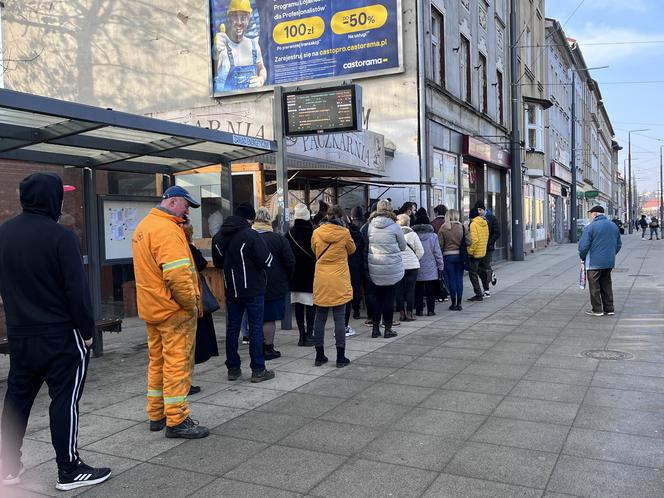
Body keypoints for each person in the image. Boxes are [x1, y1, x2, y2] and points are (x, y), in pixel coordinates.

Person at [0, 173, 111, 491]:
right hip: (61, 335)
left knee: (16, 400)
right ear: (50, 198)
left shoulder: (3, 234)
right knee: (64, 400)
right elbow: (76, 290)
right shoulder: (61, 236)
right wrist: (87, 331)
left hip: (21, 334)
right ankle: (69, 469)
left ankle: (8, 468)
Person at [133, 186, 209, 439]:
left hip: (152, 307)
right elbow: (177, 275)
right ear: (173, 201)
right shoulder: (167, 230)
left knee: (158, 362)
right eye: (186, 205)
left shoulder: (146, 226)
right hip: (173, 311)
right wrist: (191, 305)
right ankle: (177, 419)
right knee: (178, 364)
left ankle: (157, 414)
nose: (188, 210)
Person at [212, 203, 275, 383]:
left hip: (231, 289)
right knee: (255, 328)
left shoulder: (218, 238)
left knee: (232, 328)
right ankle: (258, 369)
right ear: (250, 219)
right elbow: (267, 260)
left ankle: (233, 368)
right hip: (253, 289)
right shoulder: (250, 234)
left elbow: (218, 264)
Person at [310, 205, 356, 367]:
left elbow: (314, 250)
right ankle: (340, 357)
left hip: (321, 278)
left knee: (320, 318)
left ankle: (319, 355)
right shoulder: (344, 233)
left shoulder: (316, 232)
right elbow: (352, 250)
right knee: (339, 319)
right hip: (339, 279)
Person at [252, 207, 295, 359]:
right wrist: (286, 278)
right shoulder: (278, 239)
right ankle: (269, 348)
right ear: (269, 220)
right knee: (269, 318)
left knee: (256, 318)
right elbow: (290, 262)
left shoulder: (248, 237)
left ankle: (256, 347)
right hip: (274, 284)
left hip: (252, 284)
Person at [183, 222, 219, 395]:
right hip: (192, 299)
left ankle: (184, 382)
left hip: (186, 299)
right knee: (189, 344)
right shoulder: (187, 247)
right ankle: (185, 383)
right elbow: (202, 264)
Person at [367, 200, 407, 338]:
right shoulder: (395, 226)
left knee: (377, 299)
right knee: (389, 299)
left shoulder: (371, 225)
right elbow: (403, 246)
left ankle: (375, 329)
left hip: (375, 267)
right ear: (390, 209)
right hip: (391, 268)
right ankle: (388, 329)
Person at [214, 0, 267, 91]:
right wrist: (216, 52)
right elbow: (214, 73)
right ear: (229, 18)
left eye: (243, 17)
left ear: (249, 18)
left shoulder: (254, 45)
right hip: (227, 103)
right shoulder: (221, 45)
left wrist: (261, 79)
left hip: (254, 101)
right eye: (235, 17)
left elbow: (262, 68)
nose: (239, 22)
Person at [578, 205, 622, 316]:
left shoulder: (591, 227)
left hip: (594, 263)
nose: (591, 216)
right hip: (609, 262)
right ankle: (609, 308)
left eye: (591, 213)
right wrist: (610, 254)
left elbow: (583, 246)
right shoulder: (613, 226)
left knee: (594, 286)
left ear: (595, 214)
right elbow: (618, 244)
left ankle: (597, 309)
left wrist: (582, 257)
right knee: (606, 284)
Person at [286, 203, 316, 346]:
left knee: (298, 305)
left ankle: (301, 336)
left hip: (295, 275)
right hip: (311, 274)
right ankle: (310, 335)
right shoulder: (313, 232)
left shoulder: (289, 233)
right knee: (310, 304)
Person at [412, 214, 445, 316]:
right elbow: (437, 253)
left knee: (418, 291)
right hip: (431, 268)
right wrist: (441, 266)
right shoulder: (433, 236)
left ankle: (419, 310)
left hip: (417, 267)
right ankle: (431, 310)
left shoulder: (413, 236)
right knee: (431, 291)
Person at [439, 209, 470, 311]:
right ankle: (459, 303)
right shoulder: (462, 227)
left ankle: (453, 303)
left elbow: (440, 245)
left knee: (451, 279)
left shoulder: (443, 228)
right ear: (457, 216)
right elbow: (469, 242)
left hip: (448, 256)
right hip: (460, 256)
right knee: (459, 279)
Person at [395, 214, 424, 322]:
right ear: (408, 223)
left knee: (399, 290)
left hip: (398, 266)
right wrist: (414, 259)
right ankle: (410, 314)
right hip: (412, 266)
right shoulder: (413, 234)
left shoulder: (394, 234)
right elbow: (421, 251)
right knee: (410, 290)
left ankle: (402, 314)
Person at [475, 200, 500, 297]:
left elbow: (497, 232)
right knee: (480, 268)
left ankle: (486, 290)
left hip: (488, 248)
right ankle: (491, 274)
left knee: (484, 267)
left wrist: (490, 242)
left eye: (480, 210)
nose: (479, 212)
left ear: (484, 209)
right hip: (479, 248)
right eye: (477, 210)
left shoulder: (491, 218)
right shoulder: (476, 219)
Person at [345, 215, 365, 333]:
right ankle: (356, 310)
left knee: (347, 289)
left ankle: (352, 309)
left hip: (345, 264)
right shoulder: (359, 235)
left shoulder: (343, 236)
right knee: (356, 287)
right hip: (357, 264)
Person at [466, 208, 489, 302]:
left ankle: (478, 294)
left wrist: (470, 251)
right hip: (482, 251)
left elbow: (474, 240)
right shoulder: (484, 223)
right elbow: (486, 237)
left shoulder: (473, 224)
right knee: (480, 271)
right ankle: (486, 287)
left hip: (475, 253)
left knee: (473, 274)